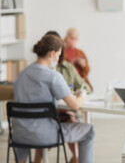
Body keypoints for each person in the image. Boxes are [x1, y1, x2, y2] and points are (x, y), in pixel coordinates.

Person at [13, 34, 95, 163]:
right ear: (51, 53)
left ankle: (20, 161)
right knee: (89, 130)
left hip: (19, 135)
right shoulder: (53, 76)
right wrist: (83, 95)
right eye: (58, 55)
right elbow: (75, 105)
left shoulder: (21, 75)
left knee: (28, 125)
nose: (58, 59)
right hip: (44, 135)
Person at [34, 31, 90, 163]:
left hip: (61, 115)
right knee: (86, 131)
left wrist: (78, 92)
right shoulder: (45, 74)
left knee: (71, 124)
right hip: (46, 119)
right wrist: (79, 96)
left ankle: (76, 158)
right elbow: (75, 104)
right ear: (52, 53)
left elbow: (84, 87)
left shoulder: (68, 68)